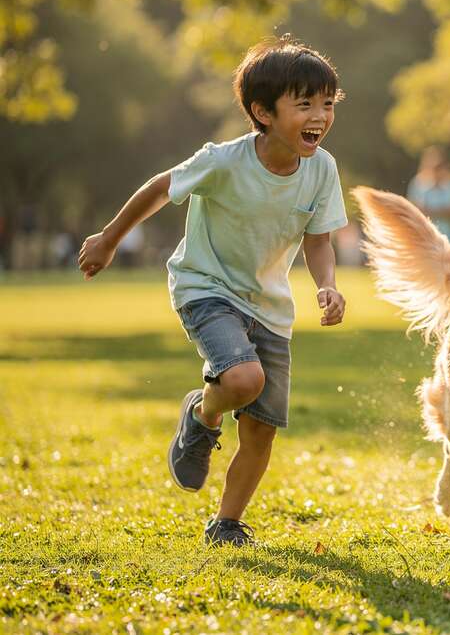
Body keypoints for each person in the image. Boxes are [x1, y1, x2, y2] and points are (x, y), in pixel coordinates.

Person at [78, 36, 349, 544]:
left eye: (328, 104)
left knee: (261, 428)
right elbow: (162, 188)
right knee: (245, 382)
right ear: (262, 112)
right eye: (306, 103)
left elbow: (319, 240)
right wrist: (109, 238)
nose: (321, 115)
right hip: (206, 286)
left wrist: (327, 286)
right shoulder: (224, 161)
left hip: (269, 305)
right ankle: (202, 415)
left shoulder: (322, 168)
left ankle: (226, 522)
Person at [407, 146, 450, 248]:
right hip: (423, 237)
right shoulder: (417, 183)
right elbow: (413, 208)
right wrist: (441, 211)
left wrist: (429, 211)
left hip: (448, 237)